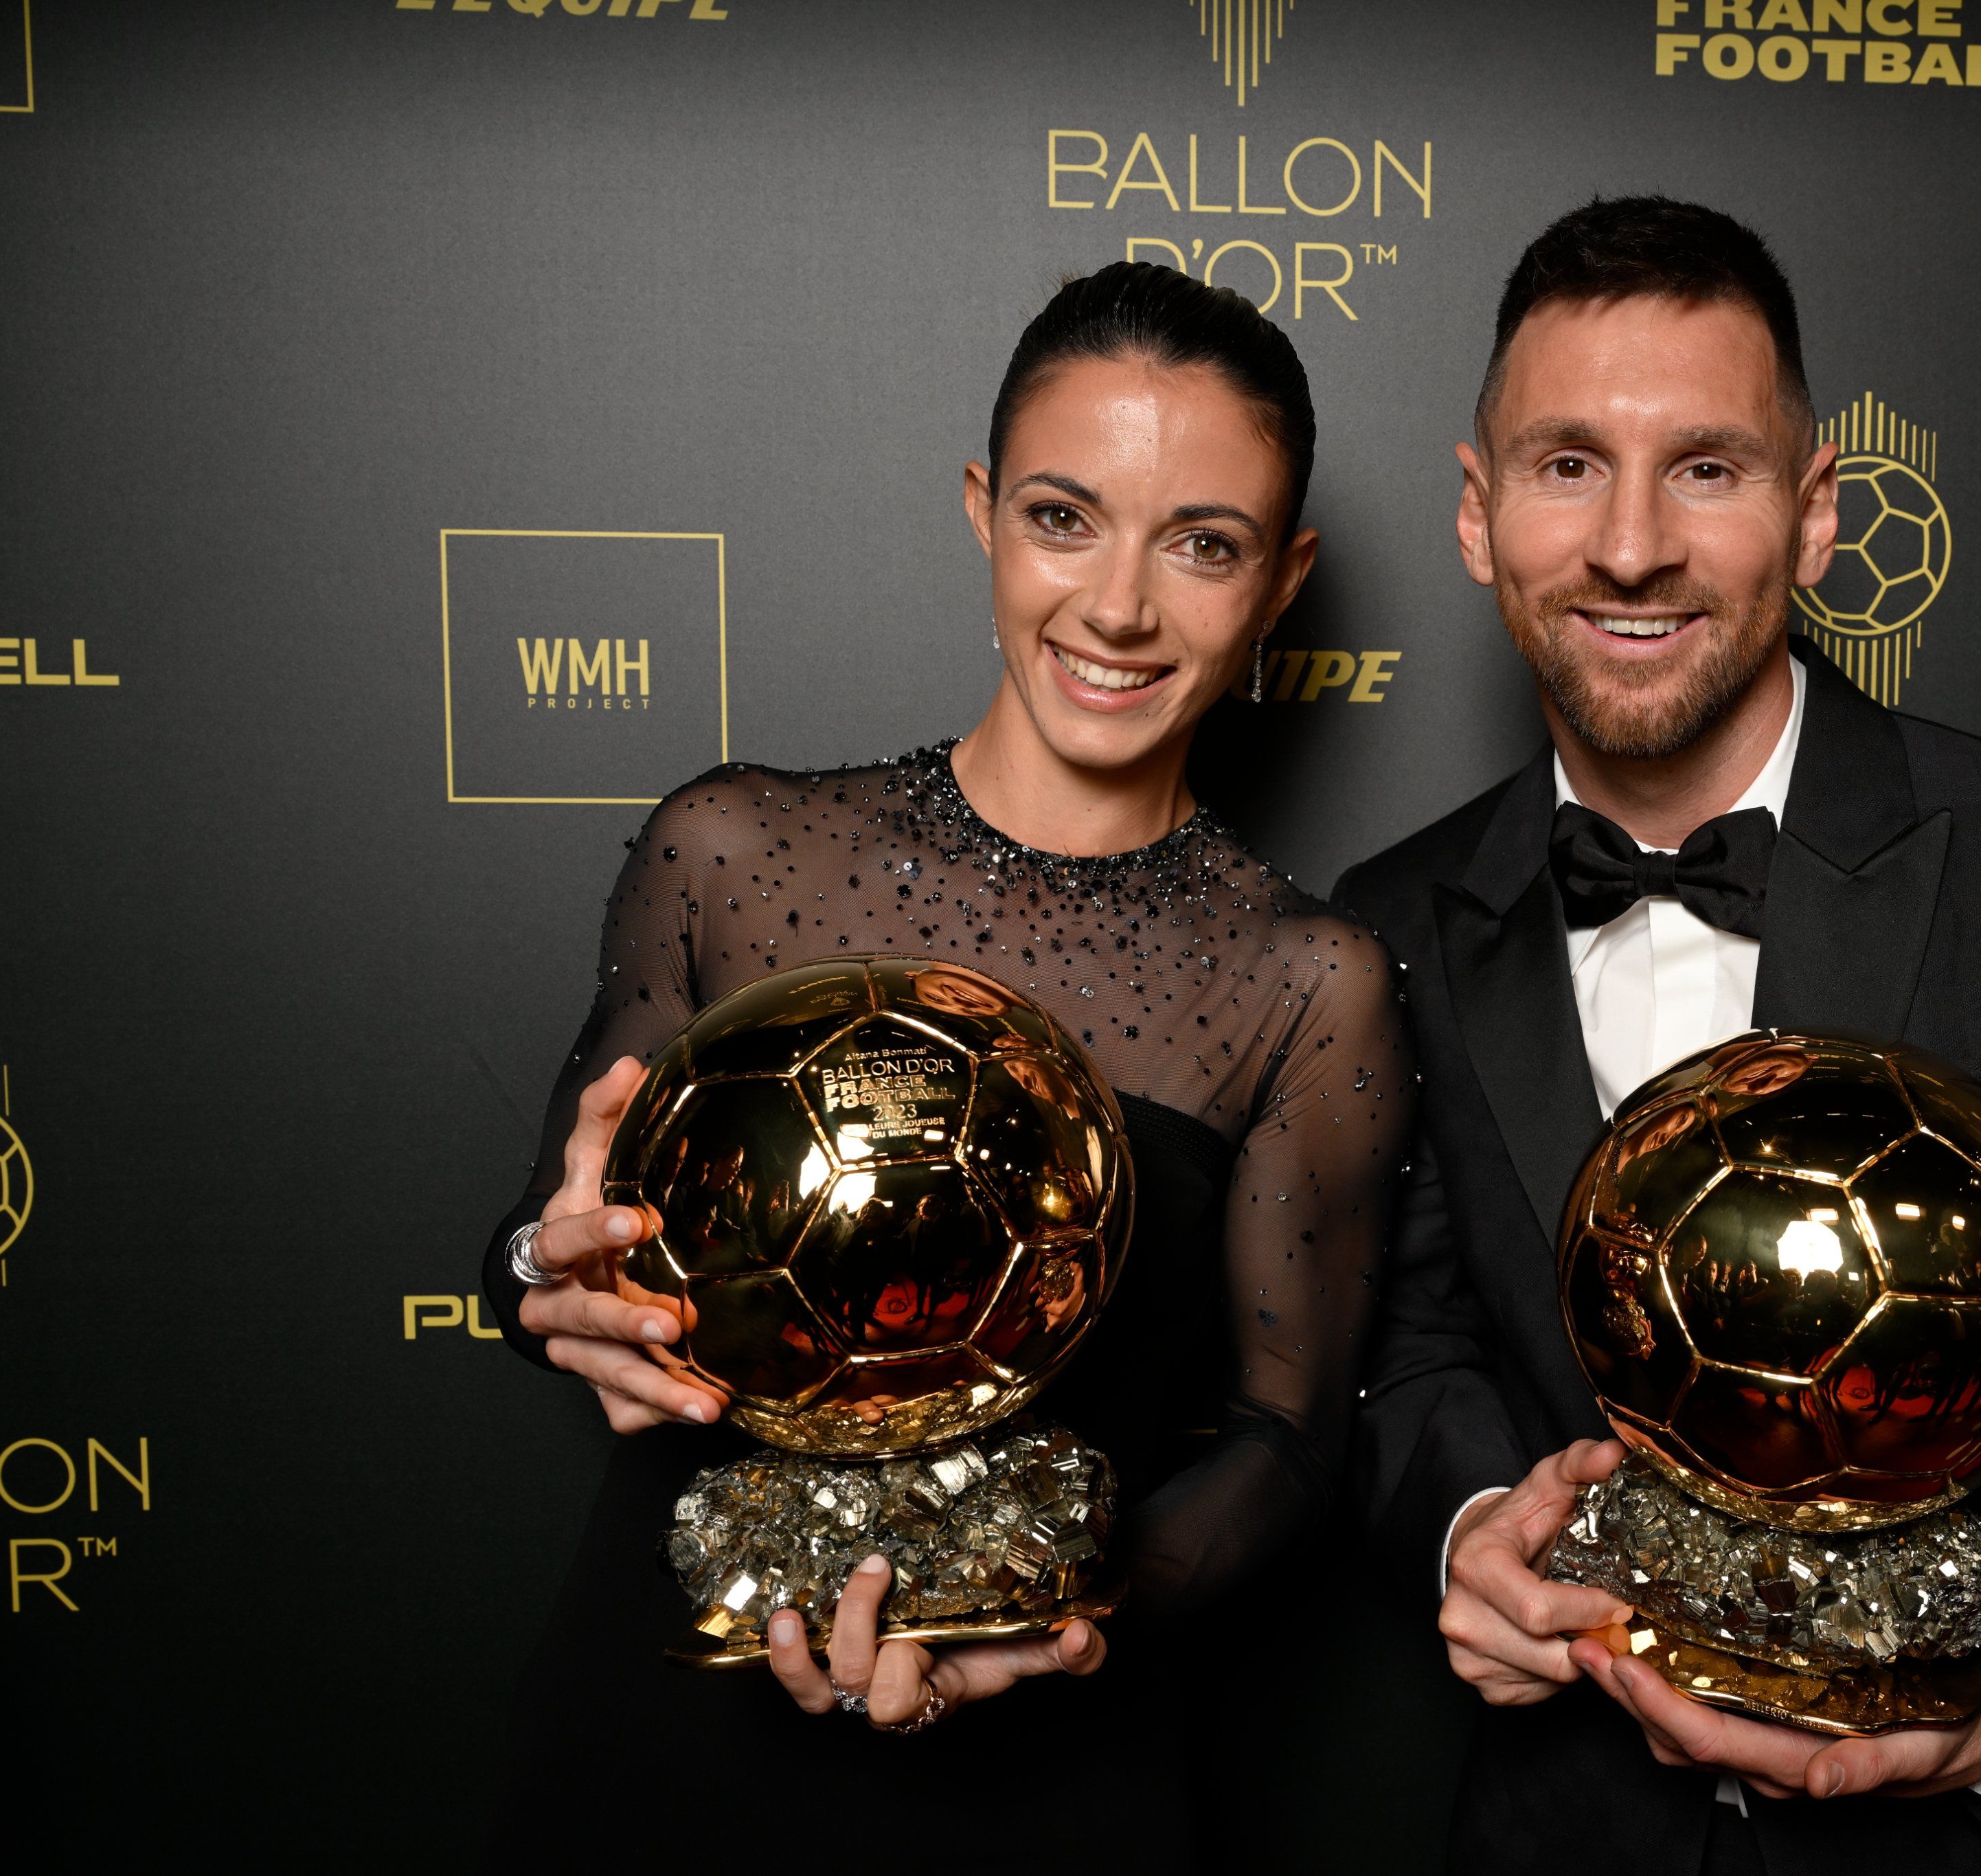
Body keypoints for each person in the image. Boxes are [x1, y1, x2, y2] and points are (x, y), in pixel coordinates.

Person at [1333, 198, 1981, 1874]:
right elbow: (1410, 1347)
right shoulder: (1395, 912)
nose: (1629, 542)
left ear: (1814, 516)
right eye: (1567, 466)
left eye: (1704, 467)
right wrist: (1476, 1530)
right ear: (1479, 518)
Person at [479, 262, 1413, 1866]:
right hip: (670, 1748)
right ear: (982, 509)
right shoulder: (732, 848)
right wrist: (542, 1273)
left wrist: (1059, 1615)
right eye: (1065, 516)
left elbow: (1286, 1442)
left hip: (1050, 1785)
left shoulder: (1301, 980)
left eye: (1202, 544)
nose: (1118, 605)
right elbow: (531, 1250)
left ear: (1281, 579)